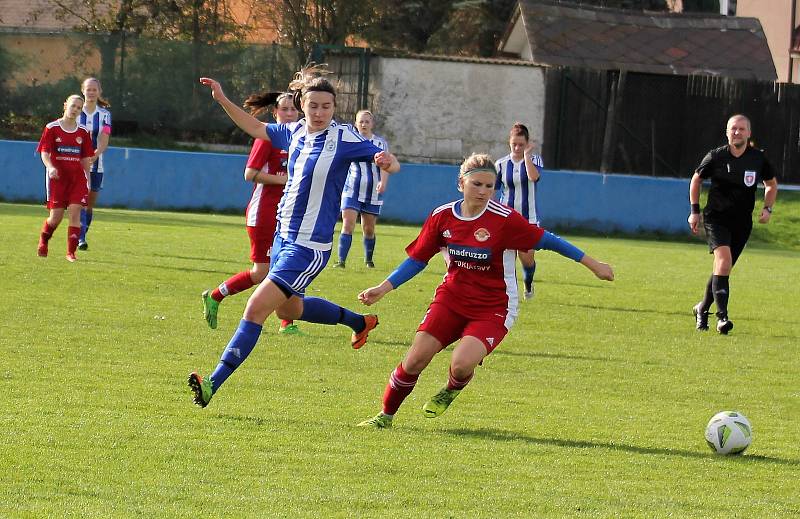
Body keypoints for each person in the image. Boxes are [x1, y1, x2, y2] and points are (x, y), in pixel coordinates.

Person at [188, 66, 401, 408]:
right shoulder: (295, 132)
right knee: (292, 308)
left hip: (309, 247)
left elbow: (392, 166)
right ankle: (360, 322)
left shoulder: (345, 138)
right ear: (302, 104)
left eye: (326, 107)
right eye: (313, 105)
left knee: (255, 308)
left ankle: (213, 383)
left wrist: (387, 162)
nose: (319, 113)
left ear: (334, 109)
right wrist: (222, 99)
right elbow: (255, 127)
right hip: (284, 239)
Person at [356, 153, 613, 429]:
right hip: (451, 299)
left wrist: (593, 264)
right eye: (477, 184)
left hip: (493, 306)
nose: (483, 192)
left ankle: (452, 388)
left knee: (461, 364)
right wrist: (383, 288)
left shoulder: (504, 220)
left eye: (490, 186)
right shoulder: (442, 217)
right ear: (461, 184)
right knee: (415, 359)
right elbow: (418, 259)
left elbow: (548, 240)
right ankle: (385, 416)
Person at [201, 91, 303, 335]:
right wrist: (285, 180)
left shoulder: (300, 139)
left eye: (293, 109)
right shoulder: (267, 138)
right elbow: (250, 174)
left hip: (288, 215)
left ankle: (287, 322)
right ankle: (216, 295)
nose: (289, 114)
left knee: (291, 266)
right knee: (262, 272)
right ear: (275, 113)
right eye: (284, 110)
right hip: (264, 213)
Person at [688, 114, 778, 334]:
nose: (736, 132)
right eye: (733, 129)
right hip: (716, 218)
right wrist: (694, 212)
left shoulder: (758, 158)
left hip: (742, 222)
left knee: (723, 269)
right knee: (724, 261)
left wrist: (767, 208)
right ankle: (722, 318)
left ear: (748, 133)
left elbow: (771, 184)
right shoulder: (716, 157)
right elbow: (696, 179)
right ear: (727, 132)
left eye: (741, 129)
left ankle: (702, 308)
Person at [36, 94, 95, 262]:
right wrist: (51, 167)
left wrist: (88, 180)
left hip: (77, 180)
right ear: (65, 105)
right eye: (73, 106)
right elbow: (45, 153)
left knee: (75, 213)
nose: (75, 109)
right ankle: (43, 241)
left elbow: (85, 159)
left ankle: (71, 253)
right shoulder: (52, 128)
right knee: (56, 217)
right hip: (57, 179)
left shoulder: (83, 132)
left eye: (79, 107)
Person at [333, 110, 390, 268]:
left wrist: (383, 182)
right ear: (356, 124)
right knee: (348, 223)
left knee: (368, 228)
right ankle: (341, 261)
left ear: (372, 124)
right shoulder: (351, 141)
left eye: (367, 121)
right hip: (352, 189)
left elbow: (386, 165)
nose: (364, 124)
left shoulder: (380, 143)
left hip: (372, 191)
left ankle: (368, 260)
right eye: (361, 122)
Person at [496, 123, 544, 299]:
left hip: (528, 218)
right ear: (509, 142)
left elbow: (533, 177)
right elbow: (493, 190)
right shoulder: (500, 164)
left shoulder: (535, 160)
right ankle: (508, 294)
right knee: (506, 259)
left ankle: (528, 282)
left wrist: (526, 157)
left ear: (527, 143)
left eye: (521, 144)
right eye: (514, 144)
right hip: (505, 218)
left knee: (527, 258)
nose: (517, 147)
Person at [77, 77, 112, 250]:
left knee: (89, 204)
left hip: (97, 164)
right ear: (83, 90)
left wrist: (94, 155)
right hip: (76, 164)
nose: (91, 92)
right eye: (88, 89)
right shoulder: (74, 112)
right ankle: (80, 239)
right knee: (80, 201)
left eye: (94, 89)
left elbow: (104, 140)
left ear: (99, 92)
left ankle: (82, 234)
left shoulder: (105, 115)